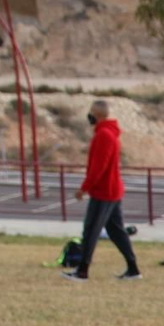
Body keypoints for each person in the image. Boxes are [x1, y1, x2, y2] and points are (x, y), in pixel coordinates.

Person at [65, 100, 140, 281]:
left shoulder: (104, 136)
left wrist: (84, 188)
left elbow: (99, 167)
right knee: (116, 232)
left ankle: (82, 271)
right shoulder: (106, 134)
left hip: (104, 192)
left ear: (97, 115)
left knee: (91, 230)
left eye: (91, 112)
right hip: (110, 190)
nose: (89, 116)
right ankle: (133, 269)